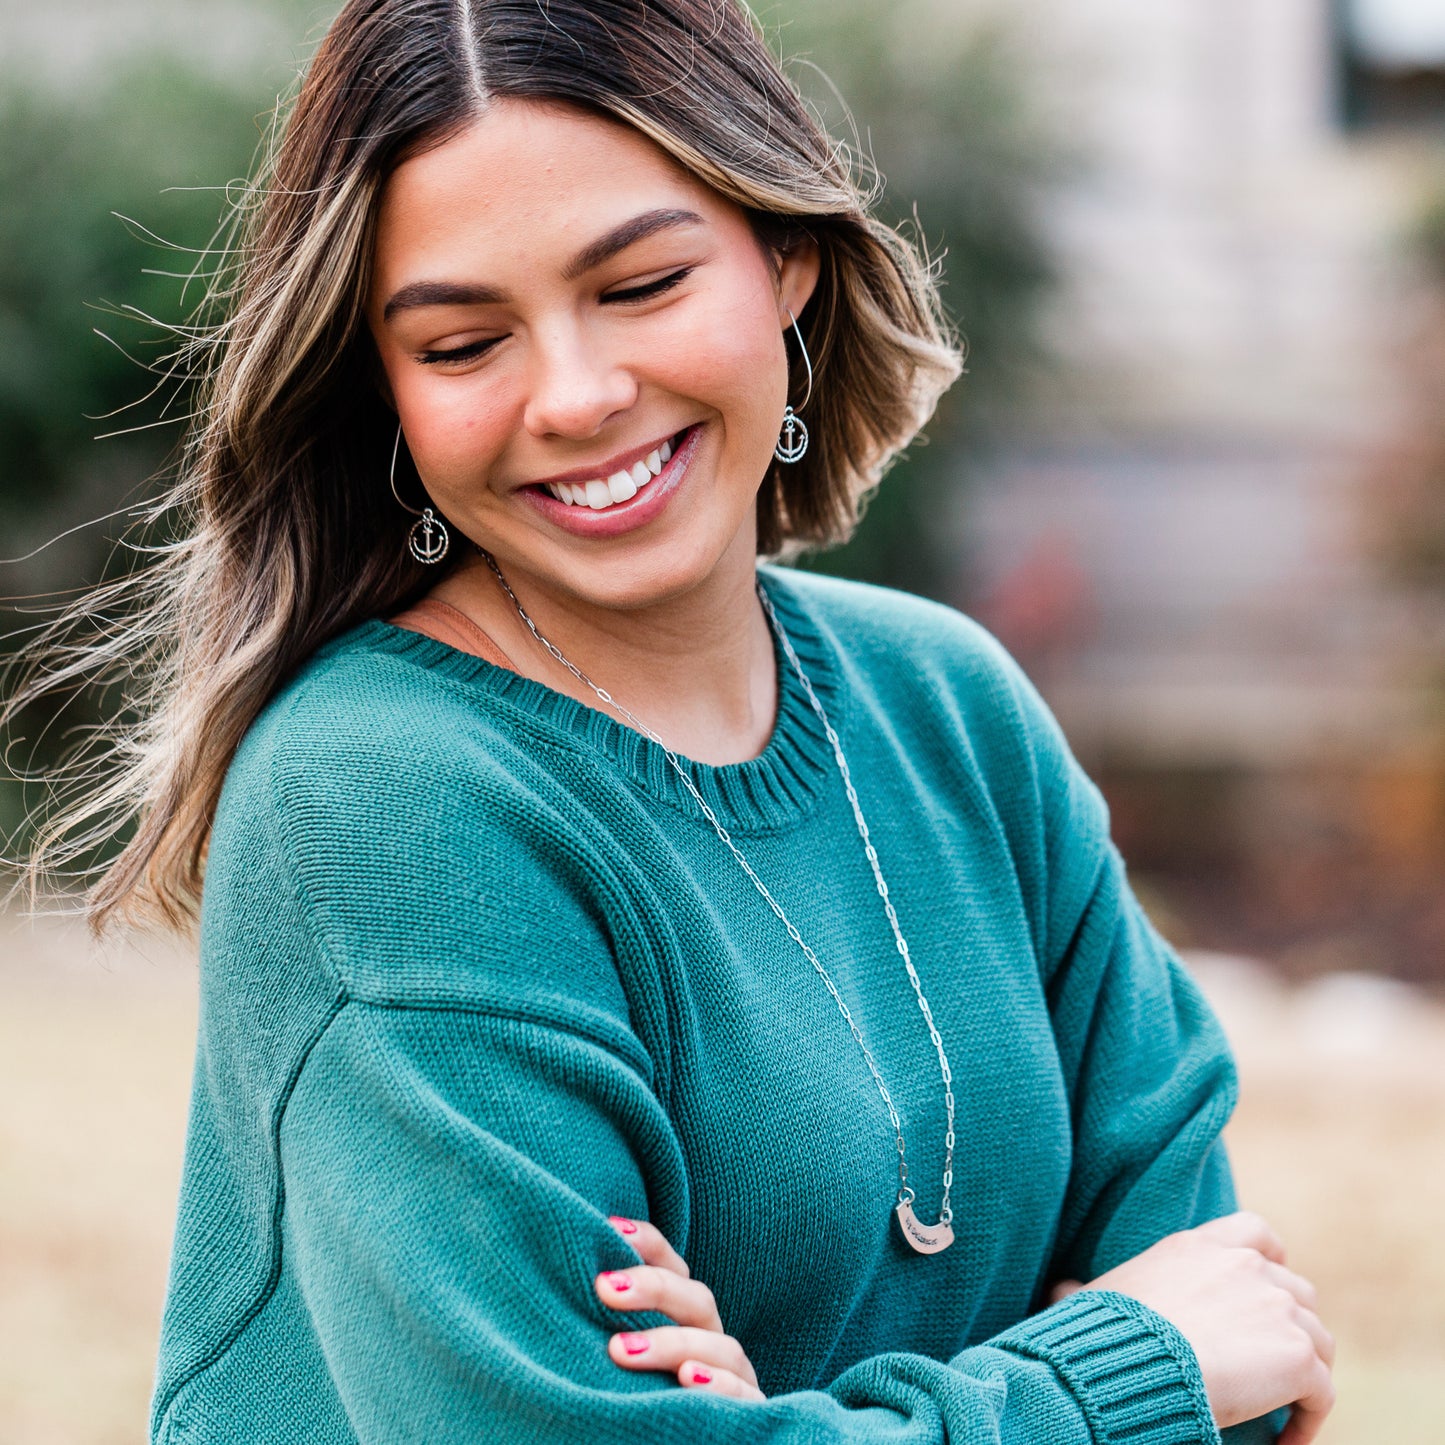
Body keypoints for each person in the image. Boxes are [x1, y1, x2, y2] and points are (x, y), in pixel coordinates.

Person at [11, 2, 1334, 1441]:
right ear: (382, 393)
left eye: (638, 284)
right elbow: (1176, 1369)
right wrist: (1107, 1376)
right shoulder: (384, 799)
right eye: (461, 343)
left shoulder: (951, 710)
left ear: (786, 261)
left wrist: (792, 1416)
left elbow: (1244, 1352)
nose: (575, 395)